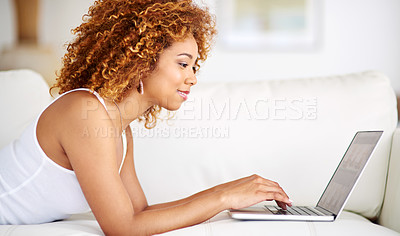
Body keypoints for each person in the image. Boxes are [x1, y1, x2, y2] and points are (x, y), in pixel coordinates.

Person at [0, 0, 292, 235]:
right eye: (183, 64)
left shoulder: (120, 131)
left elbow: (138, 213)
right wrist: (224, 198)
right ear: (142, 62)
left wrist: (228, 190)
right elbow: (122, 228)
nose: (192, 78)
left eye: (194, 66)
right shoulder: (85, 113)